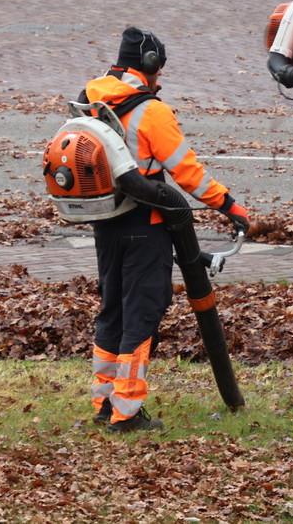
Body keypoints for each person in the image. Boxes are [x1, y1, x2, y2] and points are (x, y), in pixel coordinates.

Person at [85, 27, 250, 432]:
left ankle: (103, 403)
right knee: (142, 313)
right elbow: (187, 173)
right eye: (160, 68)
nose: (161, 78)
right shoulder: (151, 111)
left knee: (113, 310)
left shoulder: (91, 103)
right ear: (150, 65)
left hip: (105, 223)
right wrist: (230, 206)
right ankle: (126, 412)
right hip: (147, 225)